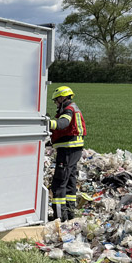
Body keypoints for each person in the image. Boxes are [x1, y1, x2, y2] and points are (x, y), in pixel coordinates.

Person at [49, 86, 86, 221]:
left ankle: (59, 217)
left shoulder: (68, 109)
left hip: (68, 150)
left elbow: (63, 123)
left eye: (56, 100)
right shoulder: (73, 108)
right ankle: (70, 214)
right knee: (70, 182)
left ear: (62, 97)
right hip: (74, 149)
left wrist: (47, 123)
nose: (55, 103)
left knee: (59, 184)